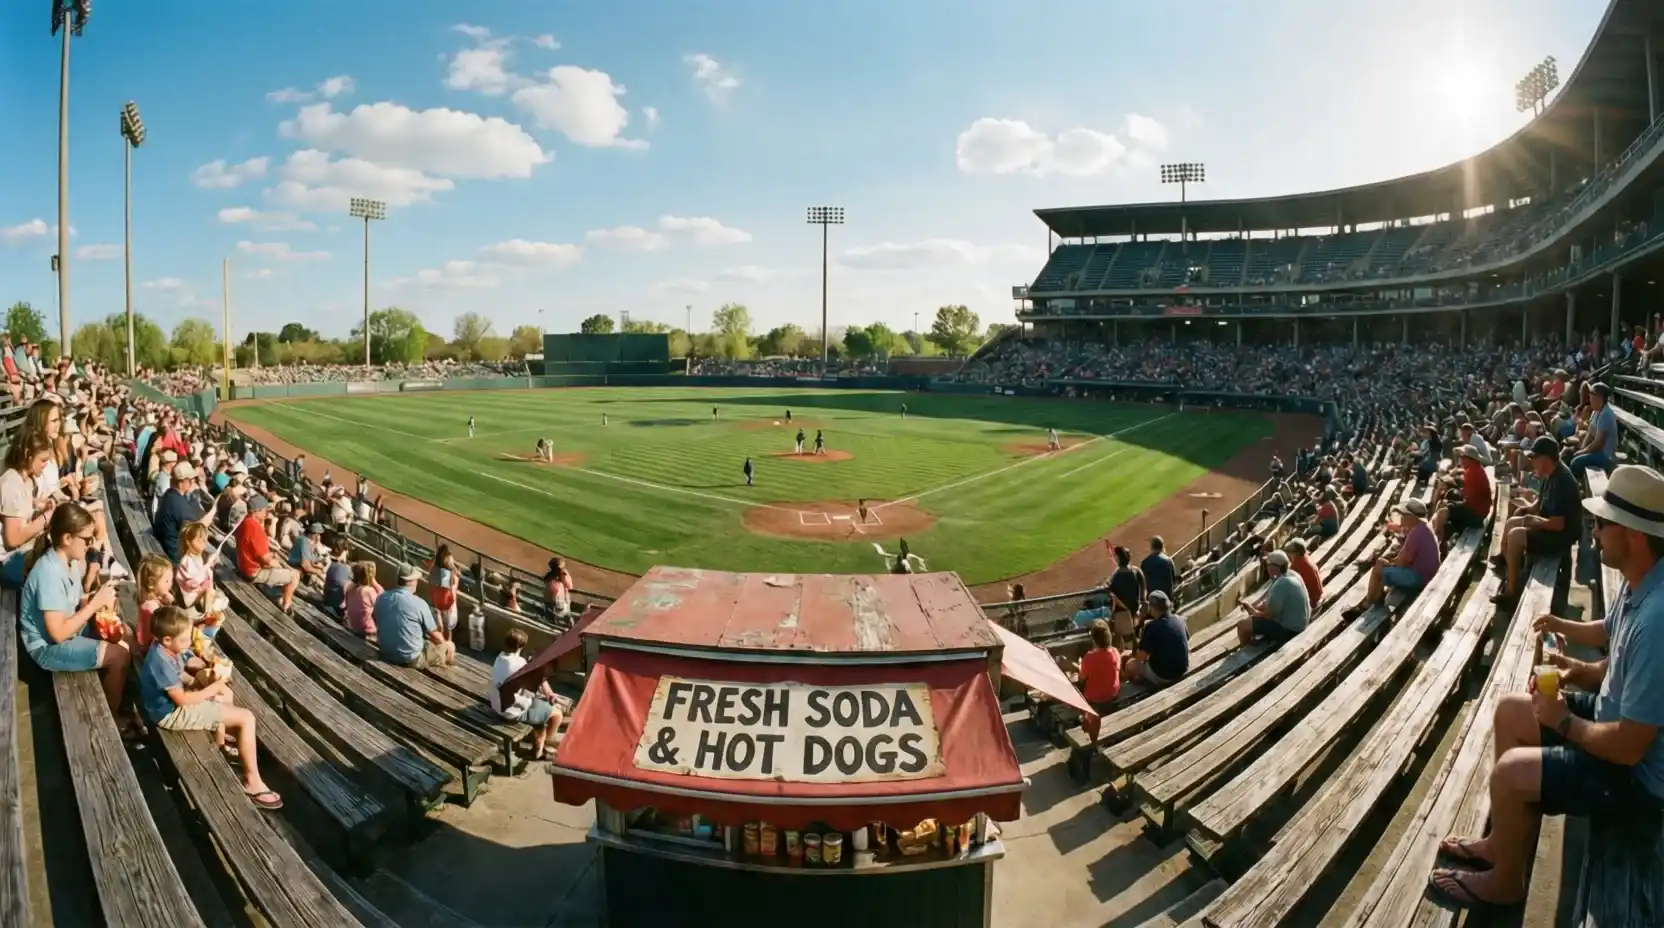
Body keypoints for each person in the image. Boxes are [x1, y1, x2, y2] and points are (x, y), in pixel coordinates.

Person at [1428, 464, 1664, 908]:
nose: (1594, 532)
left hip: (1637, 783)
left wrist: (1565, 722)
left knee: (1510, 772)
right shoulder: (1643, 584)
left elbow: (1630, 747)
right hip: (1613, 728)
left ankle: (1506, 885)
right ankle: (1502, 845)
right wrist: (1574, 668)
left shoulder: (1657, 620)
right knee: (1510, 711)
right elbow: (1612, 643)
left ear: (1635, 535)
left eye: (1603, 524)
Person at [139, 606, 282, 810]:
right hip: (170, 714)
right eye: (184, 639)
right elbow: (182, 700)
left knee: (225, 694)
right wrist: (211, 688)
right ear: (167, 640)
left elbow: (186, 660)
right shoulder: (160, 662)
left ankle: (221, 742)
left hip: (169, 703)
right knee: (247, 718)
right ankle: (253, 782)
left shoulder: (165, 647)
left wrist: (208, 661)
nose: (188, 642)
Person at [20, 503, 140, 735]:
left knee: (125, 631)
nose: (91, 544)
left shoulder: (69, 562)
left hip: (66, 629)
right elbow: (57, 634)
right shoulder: (49, 573)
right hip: (46, 647)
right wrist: (94, 605)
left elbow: (75, 602)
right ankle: (111, 720)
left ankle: (127, 697)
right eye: (86, 539)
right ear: (67, 538)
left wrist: (94, 601)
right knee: (119, 656)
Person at [1494, 436, 1581, 608]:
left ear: (1546, 459)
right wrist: (1527, 511)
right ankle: (1511, 570)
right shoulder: (1550, 474)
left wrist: (1533, 521)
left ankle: (1512, 593)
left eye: (1534, 458)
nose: (1531, 461)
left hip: (1561, 537)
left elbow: (1558, 524)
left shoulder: (1562, 481)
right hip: (1551, 527)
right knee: (1512, 522)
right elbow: (1539, 504)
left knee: (1515, 535)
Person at [1346, 499, 1439, 619]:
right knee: (1382, 564)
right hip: (1427, 575)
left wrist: (1387, 563)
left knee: (1379, 568)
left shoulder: (1416, 533)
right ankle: (1375, 598)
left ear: (1412, 517)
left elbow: (1402, 562)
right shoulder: (1424, 528)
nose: (1401, 518)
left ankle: (1367, 604)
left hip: (1419, 578)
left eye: (1404, 515)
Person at [490, 627, 566, 761]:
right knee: (557, 714)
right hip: (512, 711)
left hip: (497, 704)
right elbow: (537, 680)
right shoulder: (520, 664)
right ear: (521, 646)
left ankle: (541, 737)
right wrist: (548, 693)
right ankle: (543, 747)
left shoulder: (499, 658)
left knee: (541, 706)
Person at [1, 431, 58, 587]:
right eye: (43, 460)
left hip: (19, 554)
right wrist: (46, 517)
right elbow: (12, 540)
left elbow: (22, 506)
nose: (46, 464)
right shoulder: (11, 484)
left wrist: (38, 505)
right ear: (28, 455)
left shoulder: (25, 480)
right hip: (7, 561)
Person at [374, 563, 455, 668]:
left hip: (386, 653)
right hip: (411, 658)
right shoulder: (419, 603)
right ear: (410, 581)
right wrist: (446, 646)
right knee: (449, 646)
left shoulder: (381, 598)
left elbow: (376, 619)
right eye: (416, 579)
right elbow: (436, 636)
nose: (417, 582)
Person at [235, 496, 299, 611]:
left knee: (282, 566)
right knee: (294, 575)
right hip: (252, 572)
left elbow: (256, 550)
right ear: (256, 511)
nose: (267, 513)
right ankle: (286, 606)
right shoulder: (255, 528)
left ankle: (280, 598)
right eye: (265, 510)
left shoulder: (245, 522)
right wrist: (278, 564)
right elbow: (265, 560)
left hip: (243, 566)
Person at [1061, 619, 1120, 740]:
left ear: (1094, 639)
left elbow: (1082, 679)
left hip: (1095, 698)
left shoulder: (1089, 657)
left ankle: (1082, 715)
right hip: (1112, 693)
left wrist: (1076, 666)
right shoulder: (1115, 652)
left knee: (1075, 685)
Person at [1238, 550, 1309, 647]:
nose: (1266, 568)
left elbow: (1268, 616)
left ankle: (1243, 653)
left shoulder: (1280, 584)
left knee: (1242, 625)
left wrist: (1253, 612)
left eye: (1267, 565)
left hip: (1290, 631)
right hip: (1301, 624)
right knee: (1254, 621)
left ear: (1273, 567)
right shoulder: (1293, 574)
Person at [1123, 591, 1188, 688]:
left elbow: (1141, 657)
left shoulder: (1151, 626)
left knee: (1130, 665)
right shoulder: (1179, 619)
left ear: (1152, 607)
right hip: (1183, 669)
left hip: (1165, 676)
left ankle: (1137, 688)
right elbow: (1186, 638)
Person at [153, 462, 211, 564]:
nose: (192, 482)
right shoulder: (180, 505)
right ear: (181, 482)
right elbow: (196, 531)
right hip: (175, 558)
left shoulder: (168, 495)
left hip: (163, 546)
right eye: (190, 480)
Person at [430, 544, 460, 640]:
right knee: (445, 632)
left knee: (440, 631)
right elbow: (451, 599)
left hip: (438, 610)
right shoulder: (451, 576)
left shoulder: (433, 571)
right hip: (446, 611)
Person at [344, 561, 381, 636]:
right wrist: (375, 582)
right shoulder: (368, 591)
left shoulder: (350, 587)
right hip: (367, 631)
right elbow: (383, 602)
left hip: (353, 626)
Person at [1140, 536, 1176, 603]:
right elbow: (1173, 579)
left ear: (1151, 547)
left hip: (1152, 599)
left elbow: (1142, 584)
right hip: (1166, 598)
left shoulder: (1145, 562)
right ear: (1162, 546)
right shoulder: (1169, 561)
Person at [321, 543, 351, 616]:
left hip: (327, 599)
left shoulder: (332, 565)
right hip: (336, 605)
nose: (347, 553)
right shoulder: (346, 568)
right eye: (346, 552)